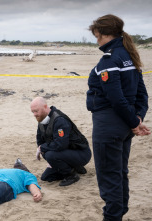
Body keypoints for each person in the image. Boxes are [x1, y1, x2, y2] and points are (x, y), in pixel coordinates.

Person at [87, 14, 150, 221]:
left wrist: (135, 122)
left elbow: (116, 98)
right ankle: (119, 215)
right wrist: (137, 119)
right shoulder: (130, 57)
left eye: (97, 36)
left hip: (109, 127)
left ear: (105, 34)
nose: (97, 41)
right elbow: (142, 96)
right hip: (124, 126)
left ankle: (113, 217)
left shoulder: (110, 59)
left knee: (109, 177)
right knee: (119, 173)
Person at [30, 97, 92, 186]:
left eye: (36, 111)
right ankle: (74, 167)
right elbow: (40, 140)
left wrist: (42, 148)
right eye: (33, 112)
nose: (34, 114)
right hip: (65, 153)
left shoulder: (59, 120)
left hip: (81, 153)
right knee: (46, 177)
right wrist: (41, 148)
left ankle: (71, 175)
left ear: (45, 107)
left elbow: (60, 144)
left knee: (50, 154)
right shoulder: (42, 119)